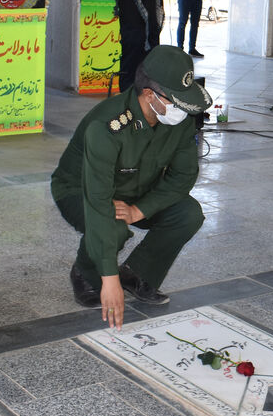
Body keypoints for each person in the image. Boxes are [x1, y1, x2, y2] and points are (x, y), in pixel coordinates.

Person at [51, 46, 211, 328]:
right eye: (176, 101)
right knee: (111, 226)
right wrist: (108, 279)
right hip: (81, 190)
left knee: (189, 214)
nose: (183, 110)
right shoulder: (106, 126)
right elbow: (98, 199)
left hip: (138, 190)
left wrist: (140, 209)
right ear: (149, 95)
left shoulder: (178, 120)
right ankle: (87, 273)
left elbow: (183, 176)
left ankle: (138, 273)